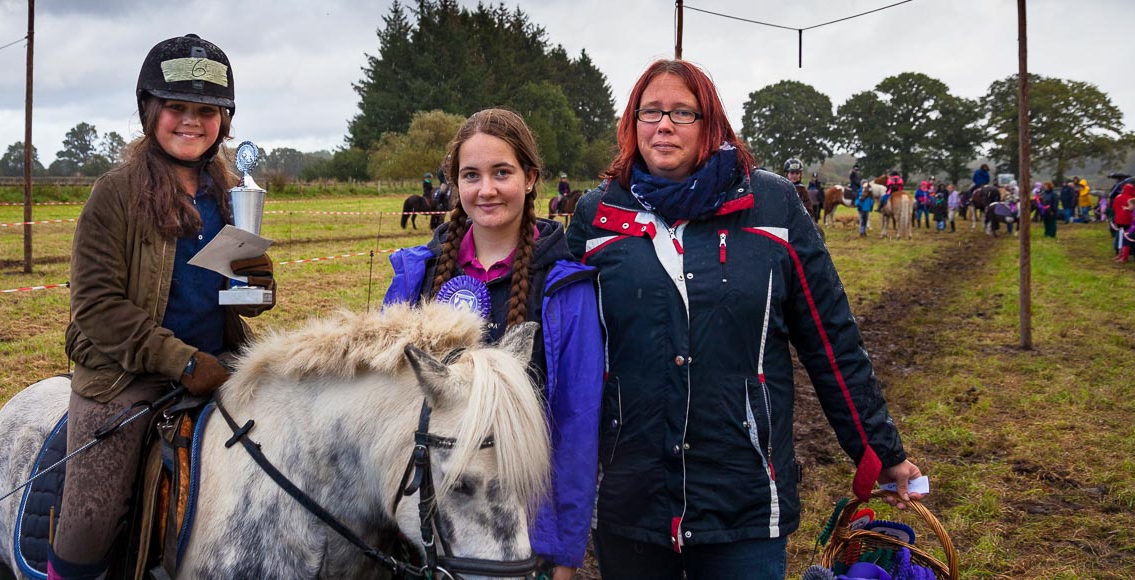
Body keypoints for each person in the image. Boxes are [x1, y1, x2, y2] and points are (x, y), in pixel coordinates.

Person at [565, 59, 925, 580]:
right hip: (631, 495)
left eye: (682, 113)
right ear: (632, 122)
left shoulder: (772, 205)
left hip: (745, 492)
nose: (664, 125)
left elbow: (831, 339)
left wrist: (880, 451)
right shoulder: (597, 215)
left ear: (710, 122)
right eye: (651, 111)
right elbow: (558, 339)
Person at [53, 34, 276, 579]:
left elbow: (241, 297)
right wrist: (181, 360)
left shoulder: (230, 194)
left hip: (221, 361)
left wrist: (259, 286)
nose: (191, 122)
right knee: (92, 518)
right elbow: (97, 306)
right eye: (176, 107)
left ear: (224, 120)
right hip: (123, 374)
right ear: (149, 111)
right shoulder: (114, 194)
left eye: (207, 110)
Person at [383, 108, 602, 579]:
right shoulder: (415, 276)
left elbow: (576, 429)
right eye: (471, 175)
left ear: (530, 179)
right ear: (454, 184)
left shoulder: (567, 289)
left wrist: (563, 555)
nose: (486, 190)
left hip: (519, 544)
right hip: (422, 540)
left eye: (502, 172)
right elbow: (381, 414)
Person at [1112, 182, 1135, 262]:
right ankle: (1124, 256)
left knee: (1120, 237)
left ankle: (1120, 254)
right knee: (1126, 238)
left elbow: (1114, 207)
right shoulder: (1131, 198)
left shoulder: (1118, 197)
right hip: (1128, 220)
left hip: (1118, 219)